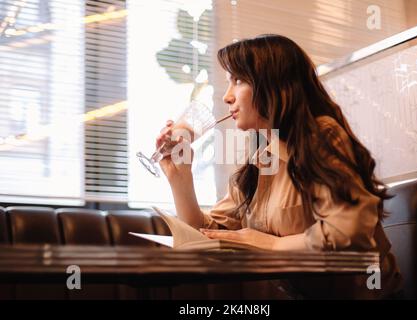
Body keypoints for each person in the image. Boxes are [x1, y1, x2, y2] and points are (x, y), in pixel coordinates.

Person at [155, 34, 403, 299]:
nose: (227, 96)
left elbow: (349, 229)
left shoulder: (321, 135)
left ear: (274, 84)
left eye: (238, 80)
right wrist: (180, 178)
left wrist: (274, 244)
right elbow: (208, 236)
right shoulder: (261, 160)